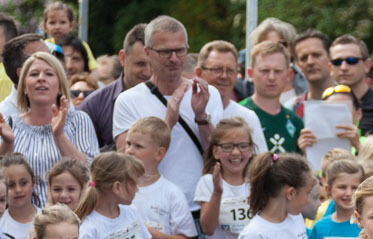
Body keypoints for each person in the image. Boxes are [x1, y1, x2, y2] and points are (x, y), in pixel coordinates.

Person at [113, 16, 224, 211]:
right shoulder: (128, 100)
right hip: (151, 213)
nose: (174, 58)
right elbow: (128, 165)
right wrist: (167, 123)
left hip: (199, 209)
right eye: (165, 52)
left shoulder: (208, 94)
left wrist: (201, 118)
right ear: (148, 53)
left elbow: (218, 155)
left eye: (180, 50)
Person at [0, 52, 98, 205]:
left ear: (60, 86)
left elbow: (89, 174)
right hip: (18, 219)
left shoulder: (79, 120)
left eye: (49, 74)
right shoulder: (9, 125)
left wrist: (59, 136)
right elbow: (2, 180)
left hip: (67, 218)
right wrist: (8, 143)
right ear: (24, 87)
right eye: (34, 74)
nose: (41, 78)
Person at [79, 24, 150, 151]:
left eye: (153, 64)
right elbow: (81, 160)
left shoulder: (173, 100)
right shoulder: (94, 106)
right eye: (140, 64)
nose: (148, 72)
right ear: (122, 58)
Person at [195, 40, 267, 153]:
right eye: (217, 69)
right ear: (199, 73)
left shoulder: (247, 117)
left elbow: (259, 164)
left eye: (230, 70)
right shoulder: (186, 112)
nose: (224, 76)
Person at [240, 40, 303, 154]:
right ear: (250, 74)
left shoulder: (295, 122)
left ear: (289, 75)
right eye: (265, 71)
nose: (271, 77)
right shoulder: (238, 114)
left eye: (278, 71)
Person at [329, 35, 373, 136]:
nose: (344, 67)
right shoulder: (325, 104)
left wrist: (359, 145)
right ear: (330, 68)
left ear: (367, 65)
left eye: (352, 61)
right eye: (337, 62)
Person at [0, 34, 48, 120]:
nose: (54, 63)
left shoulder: (64, 106)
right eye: (44, 59)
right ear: (22, 73)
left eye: (51, 55)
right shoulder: (4, 117)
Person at [289, 30, 335, 117]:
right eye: (303, 58)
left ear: (330, 56)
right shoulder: (291, 110)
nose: (310, 62)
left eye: (316, 55)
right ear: (297, 65)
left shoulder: (352, 103)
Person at [41, 2, 97, 70]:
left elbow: (93, 69)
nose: (57, 27)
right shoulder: (43, 46)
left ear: (71, 26)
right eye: (52, 23)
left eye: (62, 22)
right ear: (45, 27)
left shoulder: (81, 45)